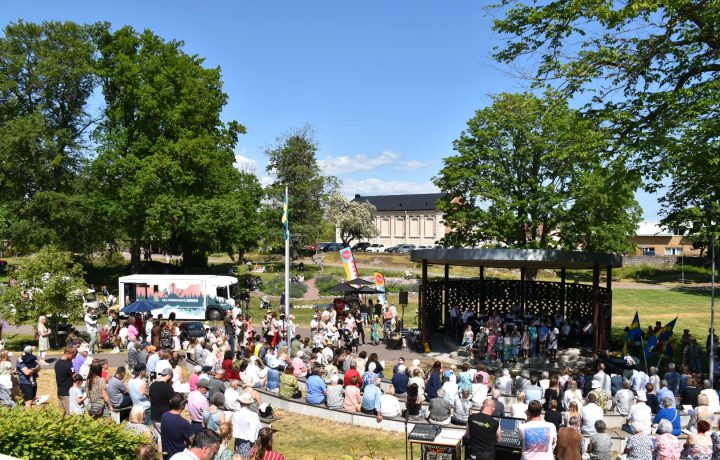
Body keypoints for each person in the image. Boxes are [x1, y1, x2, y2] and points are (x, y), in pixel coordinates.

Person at [160, 393, 193, 459]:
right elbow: (193, 442)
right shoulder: (184, 423)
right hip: (179, 456)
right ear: (182, 406)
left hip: (167, 455)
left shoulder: (164, 416)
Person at [232, 392, 262, 460]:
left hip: (237, 442)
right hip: (248, 443)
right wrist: (254, 444)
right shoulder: (253, 415)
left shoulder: (235, 414)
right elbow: (256, 430)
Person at [149, 367, 175, 432]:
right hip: (164, 418)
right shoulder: (167, 386)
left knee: (159, 439)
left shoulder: (152, 385)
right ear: (169, 375)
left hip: (154, 417)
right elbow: (173, 401)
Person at [54, 347, 76, 415]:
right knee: (69, 413)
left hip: (60, 391)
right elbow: (74, 376)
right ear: (67, 353)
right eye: (73, 355)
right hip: (67, 392)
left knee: (61, 413)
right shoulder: (68, 364)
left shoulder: (57, 362)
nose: (73, 358)